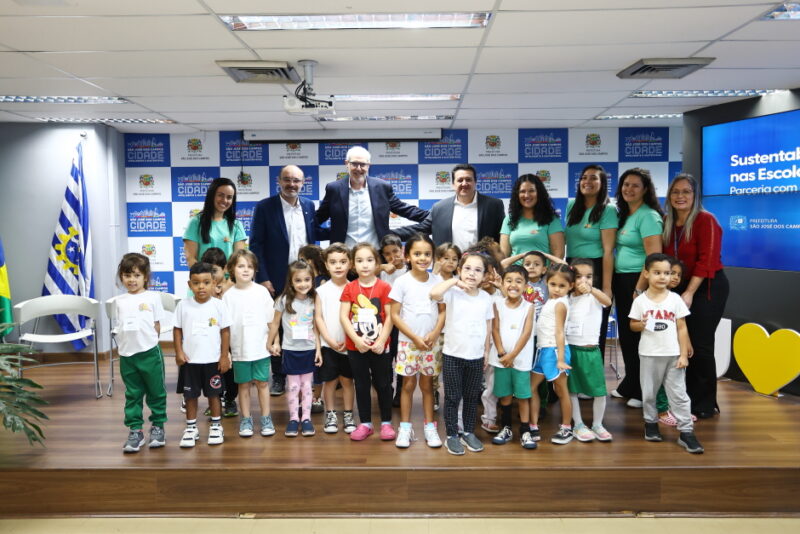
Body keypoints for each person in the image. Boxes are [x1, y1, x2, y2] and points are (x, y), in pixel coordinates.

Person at [250, 165, 326, 397]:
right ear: (279, 181)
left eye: (296, 181)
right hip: (276, 276)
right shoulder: (265, 207)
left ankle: (306, 368)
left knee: (305, 320)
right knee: (279, 325)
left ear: (303, 183)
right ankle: (279, 377)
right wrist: (262, 277)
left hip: (305, 276)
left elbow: (314, 236)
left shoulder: (309, 206)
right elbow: (256, 244)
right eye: (287, 180)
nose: (292, 184)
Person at [663, 174, 729, 419]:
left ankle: (704, 403)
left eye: (686, 192)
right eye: (675, 192)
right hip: (679, 288)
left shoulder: (706, 220)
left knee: (700, 345)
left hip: (707, 287)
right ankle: (683, 399)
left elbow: (707, 261)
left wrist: (689, 292)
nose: (680, 196)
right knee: (681, 345)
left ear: (695, 195)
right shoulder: (667, 221)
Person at [629, 253, 703, 454]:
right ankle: (650, 424)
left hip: (673, 355)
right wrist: (640, 324)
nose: (663, 277)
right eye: (657, 272)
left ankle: (686, 432)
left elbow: (681, 327)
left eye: (667, 273)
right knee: (649, 393)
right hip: (649, 354)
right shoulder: (640, 301)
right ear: (646, 274)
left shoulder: (675, 300)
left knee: (678, 394)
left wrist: (683, 354)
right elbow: (633, 325)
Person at [430, 252, 495, 456]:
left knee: (470, 396)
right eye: (467, 268)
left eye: (478, 270)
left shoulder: (486, 298)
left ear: (484, 276)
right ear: (459, 270)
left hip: (475, 357)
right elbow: (434, 294)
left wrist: (486, 351)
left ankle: (468, 432)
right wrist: (453, 282)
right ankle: (451, 435)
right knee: (452, 397)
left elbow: (488, 326)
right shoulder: (452, 293)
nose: (472, 274)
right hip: (453, 355)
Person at [611, 168, 664, 407]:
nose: (628, 189)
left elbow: (654, 257)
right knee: (628, 336)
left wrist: (640, 288)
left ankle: (645, 392)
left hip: (638, 282)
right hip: (622, 280)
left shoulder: (648, 215)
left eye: (635, 185)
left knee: (640, 337)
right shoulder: (625, 214)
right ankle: (631, 383)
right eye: (625, 184)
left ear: (645, 190)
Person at [389, 233, 445, 449]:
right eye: (417, 253)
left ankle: (429, 427)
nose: (423, 258)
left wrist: (434, 334)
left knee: (428, 386)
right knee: (407, 385)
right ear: (408, 256)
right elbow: (395, 315)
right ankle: (405, 427)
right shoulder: (401, 281)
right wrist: (414, 337)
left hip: (432, 344)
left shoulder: (437, 281)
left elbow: (442, 312)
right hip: (407, 343)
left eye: (427, 254)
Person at [315, 146, 428, 249]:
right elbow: (319, 217)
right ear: (347, 163)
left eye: (363, 164)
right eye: (354, 164)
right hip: (344, 255)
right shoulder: (333, 189)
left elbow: (405, 210)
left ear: (369, 165)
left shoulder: (382, 188)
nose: (358, 168)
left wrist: (434, 216)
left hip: (375, 254)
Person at [339, 243, 396, 441]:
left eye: (370, 260)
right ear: (353, 265)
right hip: (357, 347)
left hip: (381, 346)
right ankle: (365, 423)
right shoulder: (349, 287)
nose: (365, 265)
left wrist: (381, 341)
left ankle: (386, 423)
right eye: (360, 260)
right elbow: (344, 317)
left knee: (383, 383)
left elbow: (390, 317)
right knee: (361, 384)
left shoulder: (385, 287)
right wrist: (356, 340)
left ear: (377, 263)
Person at [113, 253, 167, 453]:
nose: (131, 280)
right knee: (133, 394)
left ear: (146, 277)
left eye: (136, 275)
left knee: (156, 391)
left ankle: (158, 426)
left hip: (150, 353)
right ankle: (135, 430)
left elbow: (157, 325)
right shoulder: (119, 301)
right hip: (127, 356)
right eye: (127, 275)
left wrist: (150, 342)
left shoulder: (153, 297)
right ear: (121, 277)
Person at [174, 262, 231, 448]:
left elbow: (225, 332)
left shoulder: (219, 305)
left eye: (206, 282)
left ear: (214, 283)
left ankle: (216, 425)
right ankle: (191, 428)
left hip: (212, 361)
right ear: (189, 285)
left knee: (214, 395)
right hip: (190, 361)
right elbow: (177, 330)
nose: (201, 287)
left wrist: (224, 356)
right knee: (190, 396)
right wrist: (179, 352)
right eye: (196, 283)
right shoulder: (183, 305)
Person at [222, 249, 275, 438]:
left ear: (255, 270)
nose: (246, 270)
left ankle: (266, 418)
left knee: (262, 383)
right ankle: (246, 419)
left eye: (250, 267)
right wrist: (226, 352)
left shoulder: (261, 292)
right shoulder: (228, 296)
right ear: (231, 269)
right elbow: (225, 328)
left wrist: (274, 341)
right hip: (239, 350)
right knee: (243, 386)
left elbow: (271, 321)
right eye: (241, 266)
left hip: (261, 348)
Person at [565, 164, 618, 353]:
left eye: (594, 178)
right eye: (584, 177)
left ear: (602, 183)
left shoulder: (608, 210)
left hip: (595, 270)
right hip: (571, 268)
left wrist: (606, 287)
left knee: (593, 324)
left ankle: (594, 369)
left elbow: (608, 251)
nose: (588, 181)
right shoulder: (572, 205)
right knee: (570, 320)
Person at [268, 260, 322, 438]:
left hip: (309, 350)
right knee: (293, 386)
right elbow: (275, 323)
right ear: (291, 282)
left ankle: (306, 418)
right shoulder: (283, 300)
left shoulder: (314, 299)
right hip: (290, 350)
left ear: (312, 280)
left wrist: (318, 349)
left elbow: (316, 326)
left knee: (307, 386)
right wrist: (271, 343)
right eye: (298, 280)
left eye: (307, 279)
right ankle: (293, 419)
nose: (303, 284)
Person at [394, 163, 505, 250]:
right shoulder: (440, 207)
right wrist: (387, 233)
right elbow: (420, 229)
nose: (464, 184)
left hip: (482, 268)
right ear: (453, 184)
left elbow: (503, 237)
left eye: (468, 179)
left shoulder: (494, 205)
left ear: (475, 182)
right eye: (460, 180)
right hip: (448, 269)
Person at [566, 258, 614, 442]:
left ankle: (598, 424)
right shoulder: (567, 298)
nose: (584, 281)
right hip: (571, 349)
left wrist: (593, 289)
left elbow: (607, 301)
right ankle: (578, 424)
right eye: (578, 277)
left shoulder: (594, 296)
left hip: (591, 350)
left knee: (599, 390)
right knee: (573, 390)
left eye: (589, 277)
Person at [489, 265, 536, 449]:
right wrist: (502, 353)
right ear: (503, 283)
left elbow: (526, 333)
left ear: (525, 285)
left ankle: (525, 430)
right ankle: (506, 427)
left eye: (519, 281)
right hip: (501, 360)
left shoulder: (529, 307)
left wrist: (513, 355)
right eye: (509, 280)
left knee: (523, 396)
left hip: (520, 361)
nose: (513, 285)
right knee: (505, 396)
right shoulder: (497, 304)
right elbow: (495, 328)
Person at [530, 263, 574, 445]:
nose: (556, 289)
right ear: (547, 283)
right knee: (531, 388)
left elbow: (559, 332)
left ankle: (566, 427)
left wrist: (561, 358)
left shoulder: (561, 304)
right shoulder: (552, 300)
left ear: (570, 286)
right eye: (553, 284)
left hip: (554, 351)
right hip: (542, 350)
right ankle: (532, 425)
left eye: (562, 286)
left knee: (561, 390)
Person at [314, 243, 357, 434]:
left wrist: (352, 339)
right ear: (326, 265)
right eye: (333, 262)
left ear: (350, 264)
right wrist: (329, 340)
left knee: (348, 381)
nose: (338, 266)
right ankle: (330, 414)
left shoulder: (354, 288)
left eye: (342, 261)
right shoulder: (321, 291)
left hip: (350, 346)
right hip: (328, 345)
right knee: (329, 381)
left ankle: (348, 414)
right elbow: (318, 318)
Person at [201, 247, 237, 417]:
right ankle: (215, 400)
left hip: (230, 337)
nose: (211, 275)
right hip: (211, 339)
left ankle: (230, 399)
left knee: (230, 371)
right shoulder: (204, 288)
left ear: (225, 269)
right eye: (208, 271)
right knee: (213, 372)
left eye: (214, 271)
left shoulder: (233, 287)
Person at [500, 173, 565, 261]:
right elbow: (504, 255)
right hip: (515, 273)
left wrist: (548, 274)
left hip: (543, 273)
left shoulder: (551, 219)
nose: (527, 195)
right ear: (517, 195)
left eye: (531, 191)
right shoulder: (509, 219)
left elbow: (559, 254)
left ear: (539, 193)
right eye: (522, 191)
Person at [182, 177, 246, 267]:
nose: (225, 200)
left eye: (229, 197)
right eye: (220, 195)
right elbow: (191, 259)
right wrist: (206, 279)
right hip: (204, 279)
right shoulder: (195, 222)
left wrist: (224, 278)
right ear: (212, 195)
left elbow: (238, 261)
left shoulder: (236, 225)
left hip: (228, 280)